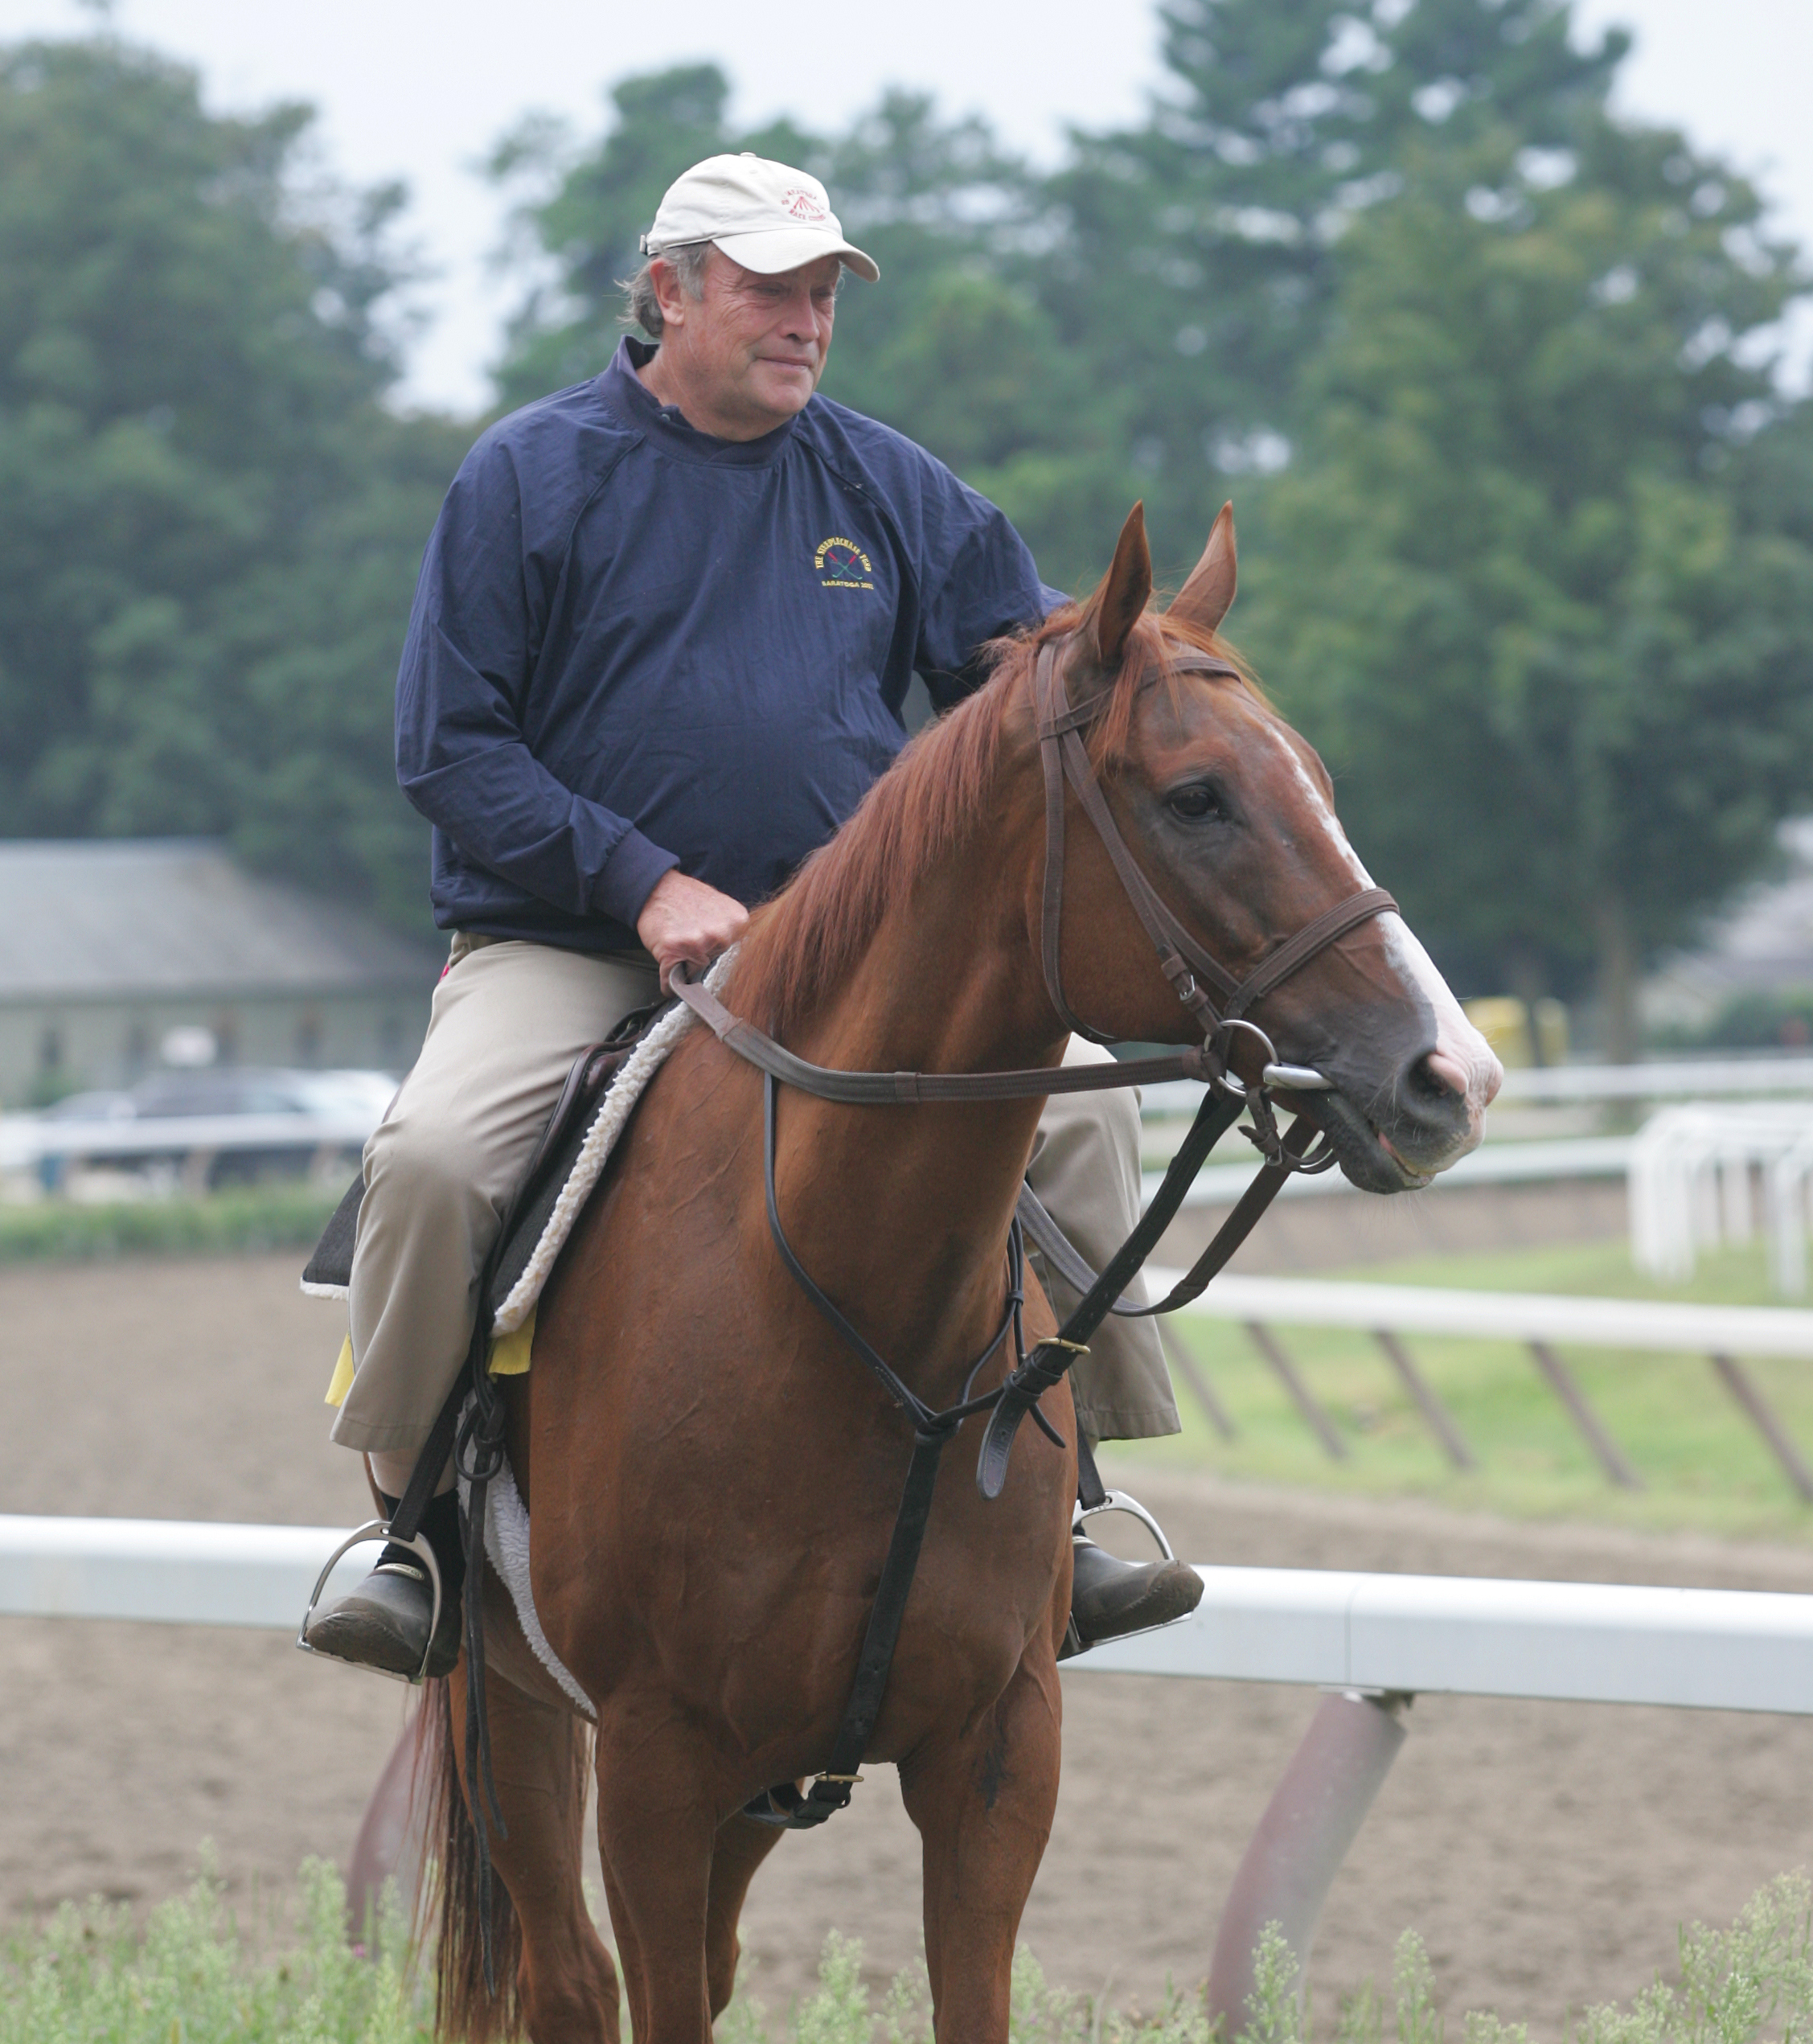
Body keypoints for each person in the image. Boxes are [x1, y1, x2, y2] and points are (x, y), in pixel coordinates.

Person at [304, 150, 1201, 1683]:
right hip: (573, 947)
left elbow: (1038, 684)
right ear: (672, 291)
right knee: (440, 1157)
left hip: (848, 964)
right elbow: (450, 750)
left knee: (1077, 1126)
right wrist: (642, 883)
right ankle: (410, 1534)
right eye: (773, 290)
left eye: (824, 294)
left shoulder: (887, 484)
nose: (807, 322)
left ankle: (1079, 1502)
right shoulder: (529, 473)